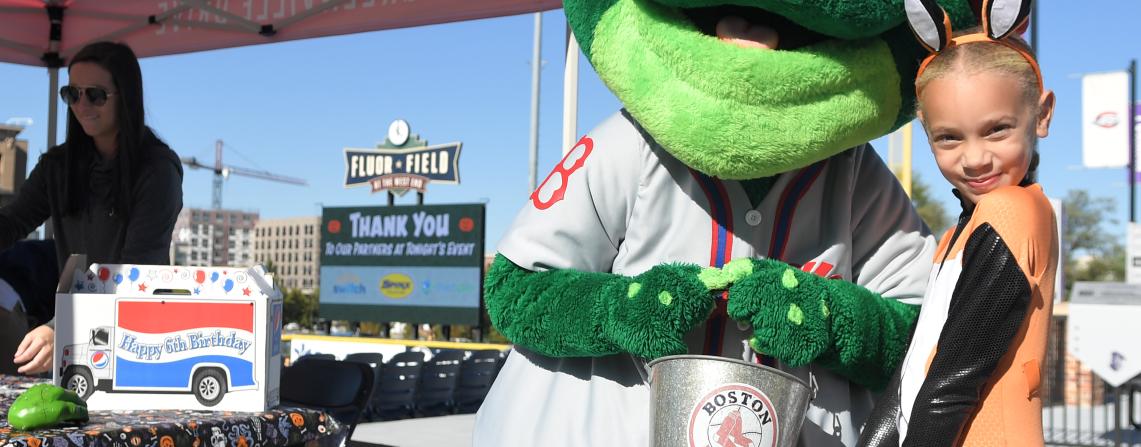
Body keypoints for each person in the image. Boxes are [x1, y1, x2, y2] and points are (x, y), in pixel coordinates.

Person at [858, 1, 1058, 445]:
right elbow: (915, 373)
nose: (974, 159)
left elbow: (952, 385)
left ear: (1041, 115)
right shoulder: (958, 234)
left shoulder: (1012, 211)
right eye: (949, 137)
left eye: (997, 130)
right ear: (925, 129)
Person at [0, 41, 184, 375]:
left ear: (125, 97)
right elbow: (12, 222)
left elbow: (136, 272)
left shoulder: (157, 170)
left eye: (95, 94)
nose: (81, 105)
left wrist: (60, 327)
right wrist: (64, 326)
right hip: (76, 336)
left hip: (140, 339)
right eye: (72, 93)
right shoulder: (57, 165)